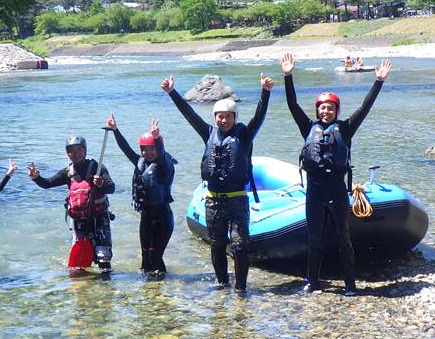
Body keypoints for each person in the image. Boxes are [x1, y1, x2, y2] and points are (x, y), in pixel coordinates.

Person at [280, 53, 393, 296]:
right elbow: (292, 105)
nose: (326, 112)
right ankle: (313, 281)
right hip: (315, 192)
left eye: (330, 109)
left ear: (336, 111)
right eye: (322, 108)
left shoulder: (346, 129)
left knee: (344, 239)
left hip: (337, 192)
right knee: (315, 240)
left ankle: (350, 284)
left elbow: (365, 107)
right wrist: (288, 76)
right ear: (317, 110)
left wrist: (379, 82)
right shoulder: (307, 127)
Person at [161, 73, 273, 291]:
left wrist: (265, 92)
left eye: (228, 116)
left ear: (234, 117)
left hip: (237, 201)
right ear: (215, 118)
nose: (223, 120)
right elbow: (189, 114)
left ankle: (241, 288)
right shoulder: (208, 133)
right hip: (213, 203)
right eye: (220, 116)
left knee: (239, 246)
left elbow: (259, 117)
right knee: (217, 245)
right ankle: (222, 284)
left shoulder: (244, 135)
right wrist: (172, 92)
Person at [27, 136, 116, 271]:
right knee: (78, 267)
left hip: (99, 219)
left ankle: (105, 289)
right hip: (79, 221)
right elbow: (47, 184)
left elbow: (111, 188)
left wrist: (101, 183)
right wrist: (36, 177)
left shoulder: (97, 168)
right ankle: (82, 289)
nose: (76, 154)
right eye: (71, 151)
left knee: (103, 260)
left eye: (79, 150)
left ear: (85, 151)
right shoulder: (68, 172)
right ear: (67, 153)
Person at [108, 115, 176, 276]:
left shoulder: (164, 165)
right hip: (146, 218)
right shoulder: (140, 162)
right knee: (145, 259)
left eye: (152, 148)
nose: (148, 152)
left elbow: (161, 153)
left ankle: (160, 293)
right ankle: (148, 294)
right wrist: (115, 130)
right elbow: (125, 149)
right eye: (145, 149)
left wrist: (157, 138)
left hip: (163, 218)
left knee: (155, 256)